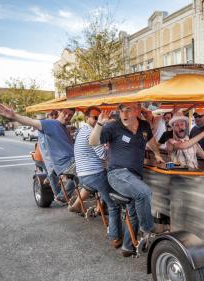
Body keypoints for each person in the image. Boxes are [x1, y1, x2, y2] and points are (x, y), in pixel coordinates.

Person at [89, 103, 165, 257]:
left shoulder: (143, 125)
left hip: (134, 177)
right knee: (144, 193)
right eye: (121, 110)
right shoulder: (112, 127)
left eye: (128, 110)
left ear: (137, 110)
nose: (124, 113)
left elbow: (150, 141)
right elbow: (93, 142)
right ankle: (148, 229)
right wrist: (99, 124)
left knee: (134, 211)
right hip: (117, 174)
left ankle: (127, 247)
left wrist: (157, 154)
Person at [0, 104, 77, 201]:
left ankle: (68, 195)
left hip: (70, 161)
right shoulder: (51, 124)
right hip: (63, 164)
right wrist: (15, 116)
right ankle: (62, 196)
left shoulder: (64, 127)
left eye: (70, 115)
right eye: (65, 113)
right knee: (86, 169)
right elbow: (31, 122)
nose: (67, 116)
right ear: (59, 112)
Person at [73, 106, 123, 249]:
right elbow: (102, 155)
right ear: (87, 118)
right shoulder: (91, 132)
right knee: (114, 204)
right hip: (93, 174)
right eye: (95, 118)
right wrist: (110, 146)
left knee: (109, 186)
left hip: (83, 175)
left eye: (98, 117)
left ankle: (100, 210)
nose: (97, 120)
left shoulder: (83, 129)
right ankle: (115, 237)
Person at [37, 110, 62, 200]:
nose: (54, 116)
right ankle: (58, 196)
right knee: (53, 173)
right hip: (45, 156)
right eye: (52, 115)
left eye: (56, 114)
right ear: (48, 116)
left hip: (56, 155)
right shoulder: (45, 126)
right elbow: (44, 148)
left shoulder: (57, 125)